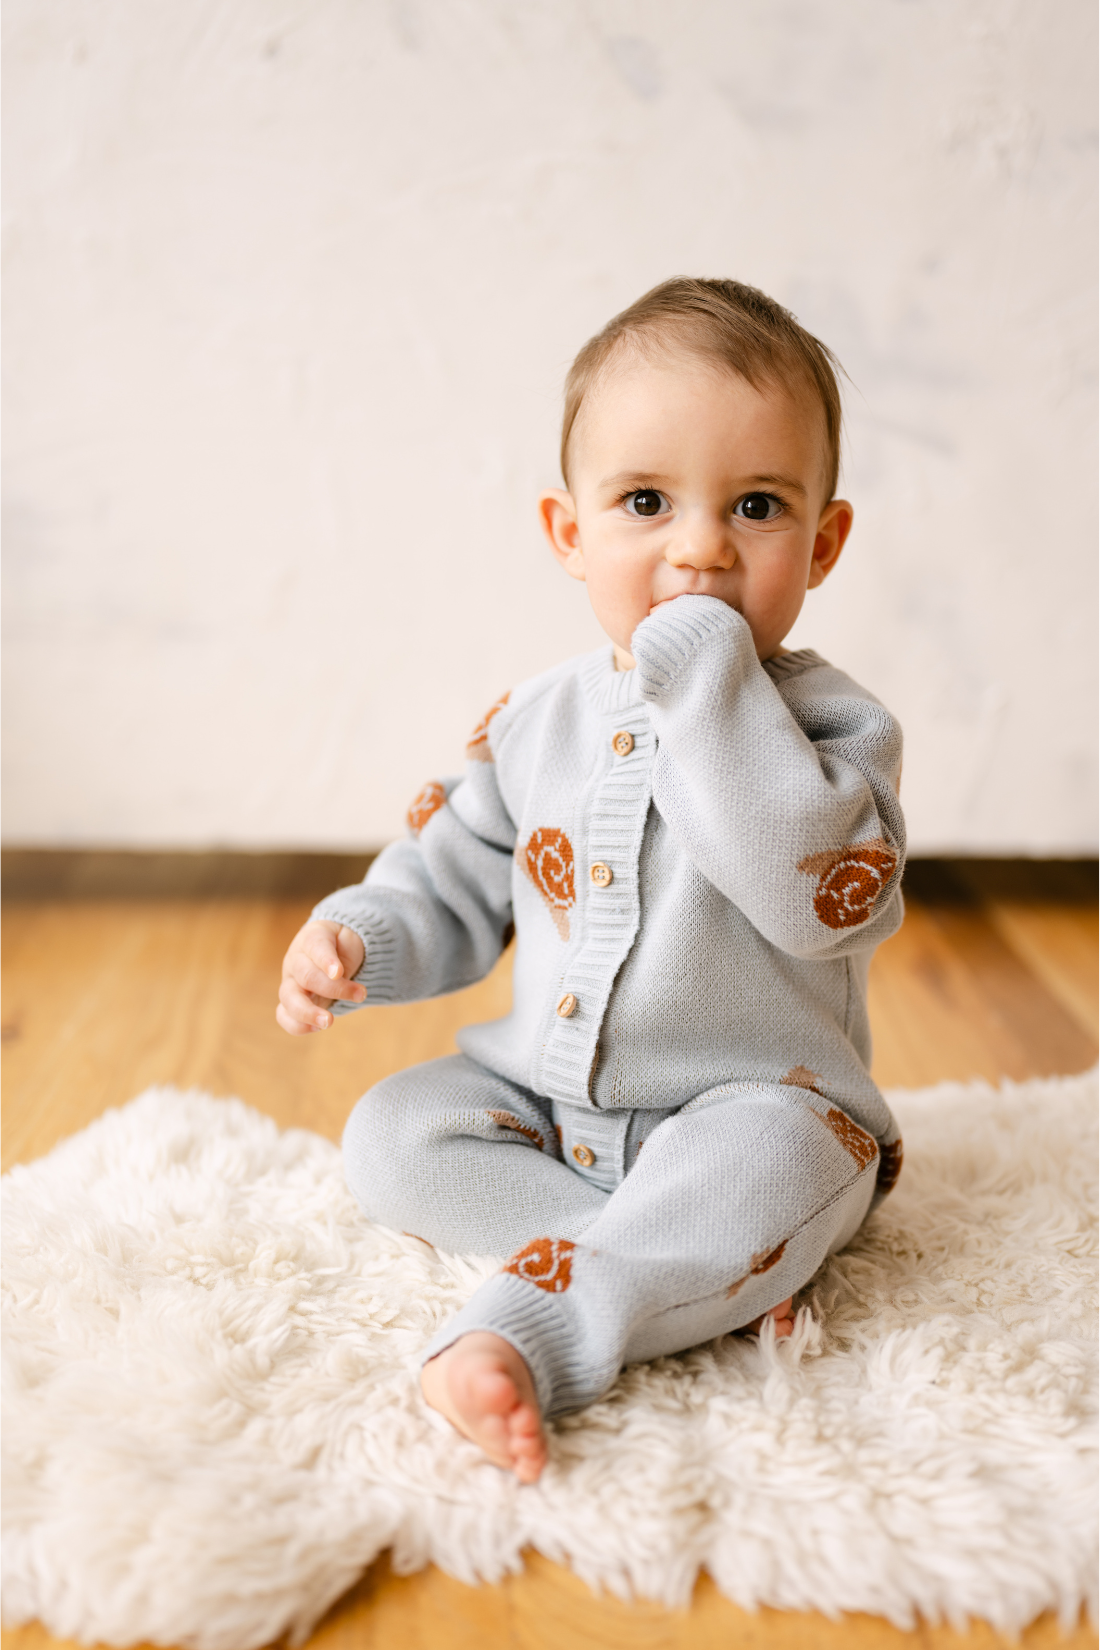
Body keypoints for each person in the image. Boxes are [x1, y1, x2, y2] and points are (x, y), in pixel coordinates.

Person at [277, 278, 906, 1485]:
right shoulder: (530, 722)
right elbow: (456, 873)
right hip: (549, 1115)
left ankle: (549, 1322)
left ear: (821, 544)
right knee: (392, 1136)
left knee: (781, 1166)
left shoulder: (835, 732)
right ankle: (694, 1268)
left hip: (752, 1108)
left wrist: (704, 677)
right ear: (570, 534)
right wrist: (361, 934)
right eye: (644, 503)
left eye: (756, 506)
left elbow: (807, 892)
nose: (698, 548)